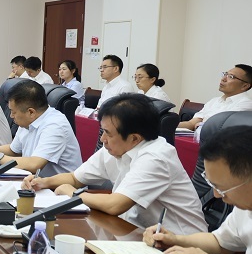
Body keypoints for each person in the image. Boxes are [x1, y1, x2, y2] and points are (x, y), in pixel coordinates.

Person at [24, 94, 206, 234]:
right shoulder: (115, 147)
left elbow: (115, 205)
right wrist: (44, 182)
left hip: (181, 244)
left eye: (108, 133)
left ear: (134, 138)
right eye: (102, 131)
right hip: (137, 232)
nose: (102, 139)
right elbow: (75, 178)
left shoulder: (156, 157)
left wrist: (72, 194)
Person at [143, 126, 252, 254]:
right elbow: (220, 242)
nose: (216, 195)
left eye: (222, 188)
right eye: (212, 185)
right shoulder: (244, 207)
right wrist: (176, 240)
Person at [0, 79, 81, 176]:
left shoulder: (55, 125)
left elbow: (34, 164)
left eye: (13, 112)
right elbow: (14, 150)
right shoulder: (28, 120)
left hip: (58, 190)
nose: (11, 116)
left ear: (30, 112)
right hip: (33, 182)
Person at [178, 64, 252, 131]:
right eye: (225, 74)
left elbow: (220, 128)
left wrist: (201, 125)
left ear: (245, 86)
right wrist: (171, 125)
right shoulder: (214, 101)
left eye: (231, 77)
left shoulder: (246, 104)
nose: (223, 79)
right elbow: (191, 124)